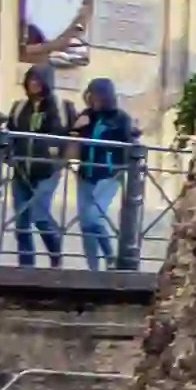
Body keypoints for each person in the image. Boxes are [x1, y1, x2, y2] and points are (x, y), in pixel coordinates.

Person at [0, 68, 65, 270]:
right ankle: (26, 268)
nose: (33, 83)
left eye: (38, 80)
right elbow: (11, 134)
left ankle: (56, 254)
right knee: (22, 223)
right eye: (31, 79)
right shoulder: (19, 107)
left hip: (46, 171)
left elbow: (65, 135)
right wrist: (8, 155)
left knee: (40, 216)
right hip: (21, 170)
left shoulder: (58, 106)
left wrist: (57, 159)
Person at [70, 77, 141, 271]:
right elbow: (74, 138)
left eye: (97, 94)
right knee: (85, 224)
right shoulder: (87, 115)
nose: (93, 99)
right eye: (90, 94)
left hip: (108, 175)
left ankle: (110, 257)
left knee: (94, 218)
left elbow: (128, 144)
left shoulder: (120, 118)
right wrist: (77, 127)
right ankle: (92, 267)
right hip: (85, 173)